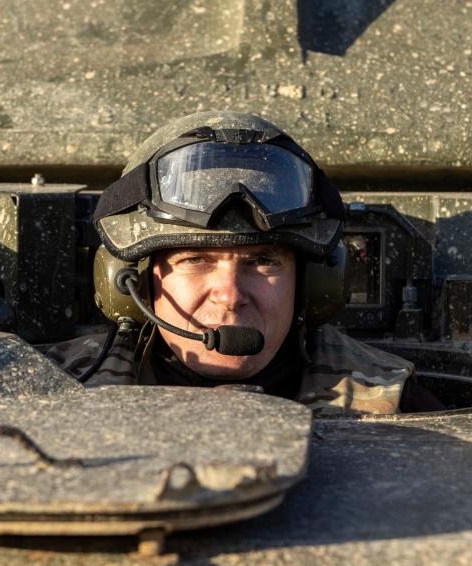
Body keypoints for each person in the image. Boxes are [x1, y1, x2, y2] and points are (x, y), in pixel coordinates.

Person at [46, 111, 444, 414]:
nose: (231, 297)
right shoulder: (52, 388)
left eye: (263, 262)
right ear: (134, 282)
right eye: (195, 259)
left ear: (311, 285)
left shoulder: (394, 404)